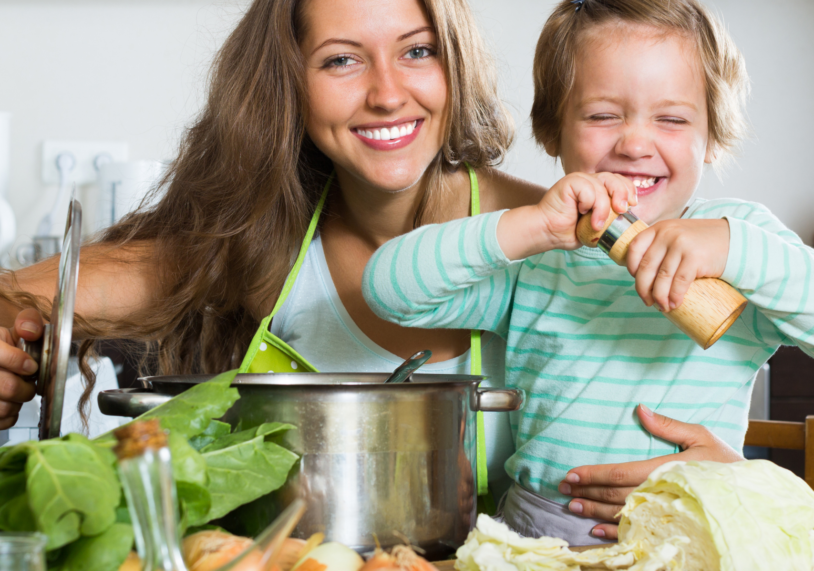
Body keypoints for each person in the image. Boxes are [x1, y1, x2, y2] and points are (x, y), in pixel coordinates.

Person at [0, 0, 742, 519]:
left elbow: (694, 399)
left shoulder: (563, 243)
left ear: (453, 64)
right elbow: (27, 296)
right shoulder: (257, 246)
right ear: (289, 83)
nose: (389, 93)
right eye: (342, 60)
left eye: (418, 50)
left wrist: (734, 483)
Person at [362, 0, 814, 545]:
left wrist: (735, 247)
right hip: (536, 537)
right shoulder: (540, 259)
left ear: (713, 136)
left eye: (671, 118)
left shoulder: (738, 241)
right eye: (603, 115)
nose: (635, 143)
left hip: (694, 532)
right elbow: (388, 290)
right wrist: (530, 227)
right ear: (553, 132)